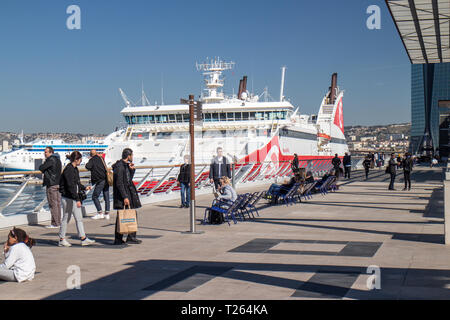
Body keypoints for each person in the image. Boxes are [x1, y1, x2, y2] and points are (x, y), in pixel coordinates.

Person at [58, 151, 96, 247]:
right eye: (80, 159)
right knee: (66, 218)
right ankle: (62, 239)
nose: (81, 161)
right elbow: (71, 186)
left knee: (78, 218)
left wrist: (84, 187)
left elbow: (77, 183)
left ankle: (83, 238)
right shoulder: (69, 170)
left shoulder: (74, 169)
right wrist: (77, 199)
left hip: (71, 197)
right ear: (76, 159)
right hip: (68, 198)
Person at [112, 148, 142, 245]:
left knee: (131, 214)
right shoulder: (120, 167)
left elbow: (128, 179)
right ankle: (120, 238)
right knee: (121, 216)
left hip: (128, 193)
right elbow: (119, 183)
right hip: (123, 195)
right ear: (128, 156)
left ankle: (130, 236)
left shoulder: (125, 166)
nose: (132, 157)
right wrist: (125, 197)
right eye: (132, 155)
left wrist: (132, 170)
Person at [38, 147, 62, 229]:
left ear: (51, 152)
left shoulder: (51, 159)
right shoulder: (58, 159)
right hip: (58, 183)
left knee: (53, 204)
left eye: (46, 152)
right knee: (58, 204)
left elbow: (41, 168)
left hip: (51, 184)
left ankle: (55, 223)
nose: (45, 154)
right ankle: (58, 222)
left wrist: (45, 167)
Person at [85, 149, 111, 220]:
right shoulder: (101, 158)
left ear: (90, 155)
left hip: (99, 180)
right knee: (106, 196)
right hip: (106, 179)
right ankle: (107, 214)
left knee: (94, 196)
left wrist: (90, 160)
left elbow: (87, 167)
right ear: (96, 153)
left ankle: (100, 213)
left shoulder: (92, 160)